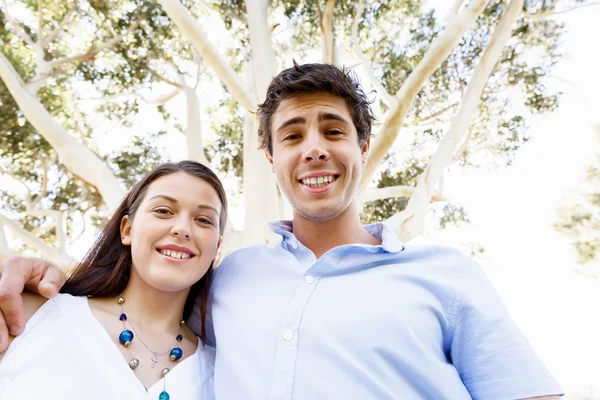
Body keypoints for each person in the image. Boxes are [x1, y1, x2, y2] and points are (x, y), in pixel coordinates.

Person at [1, 63, 562, 399]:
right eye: (292, 135)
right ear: (270, 158)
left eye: (333, 129)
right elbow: (147, 290)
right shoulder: (233, 279)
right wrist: (36, 275)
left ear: (362, 148)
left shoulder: (446, 274)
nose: (314, 146)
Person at [0, 161, 227, 399]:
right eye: (163, 211)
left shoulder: (223, 376)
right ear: (127, 229)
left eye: (204, 220)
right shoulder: (28, 315)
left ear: (217, 248)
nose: (182, 229)